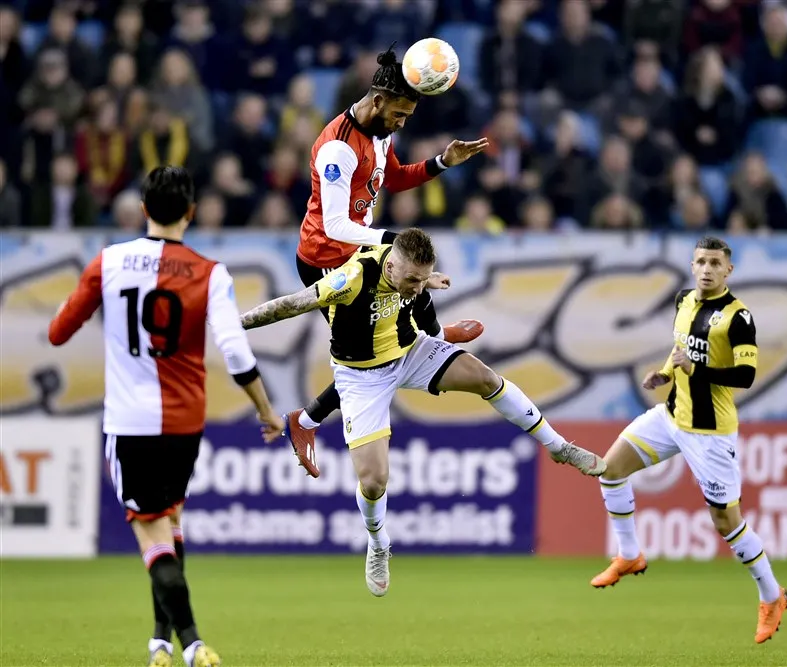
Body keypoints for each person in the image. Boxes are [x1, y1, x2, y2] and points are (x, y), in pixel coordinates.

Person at [240, 228, 607, 596]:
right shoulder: (351, 277)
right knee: (373, 481)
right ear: (392, 264)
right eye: (412, 279)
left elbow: (424, 309)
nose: (417, 287)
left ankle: (559, 447)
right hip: (360, 377)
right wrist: (235, 324)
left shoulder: (413, 278)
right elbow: (290, 304)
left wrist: (436, 313)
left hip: (409, 352)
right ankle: (379, 543)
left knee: (484, 378)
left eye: (423, 278)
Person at [48, 166, 285, 667]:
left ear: (143, 210)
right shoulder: (210, 272)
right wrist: (265, 410)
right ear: (192, 213)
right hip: (184, 426)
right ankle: (160, 642)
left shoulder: (109, 262)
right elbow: (237, 355)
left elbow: (58, 333)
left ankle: (194, 644)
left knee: (151, 537)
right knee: (172, 522)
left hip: (130, 424)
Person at [289, 46, 489, 473]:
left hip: (360, 249)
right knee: (371, 357)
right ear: (377, 100)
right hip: (327, 257)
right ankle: (303, 422)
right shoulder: (338, 149)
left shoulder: (381, 133)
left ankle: (433, 336)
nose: (401, 123)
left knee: (407, 291)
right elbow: (336, 225)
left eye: (407, 118)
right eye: (399, 115)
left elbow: (392, 178)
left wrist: (441, 162)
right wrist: (391, 240)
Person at [588, 236, 787, 644]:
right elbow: (681, 349)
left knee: (725, 521)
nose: (706, 269)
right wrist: (666, 373)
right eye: (700, 261)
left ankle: (772, 596)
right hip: (672, 415)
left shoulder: (738, 318)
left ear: (728, 270)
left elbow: (746, 376)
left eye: (715, 263)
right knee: (609, 470)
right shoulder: (684, 300)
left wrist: (695, 370)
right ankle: (629, 555)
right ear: (692, 264)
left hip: (711, 434)